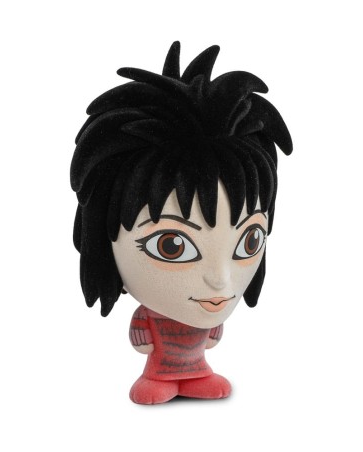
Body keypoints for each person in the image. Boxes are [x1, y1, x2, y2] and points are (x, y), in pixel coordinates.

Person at [70, 41, 292, 404]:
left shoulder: (211, 311)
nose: (220, 279)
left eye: (250, 241)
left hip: (198, 364)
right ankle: (164, 379)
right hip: (158, 368)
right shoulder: (152, 314)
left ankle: (195, 376)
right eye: (171, 245)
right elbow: (141, 341)